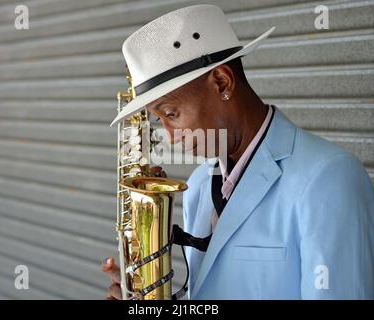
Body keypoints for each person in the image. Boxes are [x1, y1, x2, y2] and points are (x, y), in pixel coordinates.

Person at [102, 5, 374, 299]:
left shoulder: (329, 178)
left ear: (222, 81)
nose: (169, 136)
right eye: (160, 119)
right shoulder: (198, 187)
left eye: (172, 113)